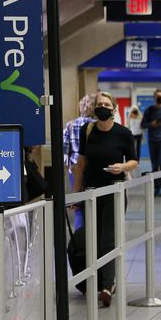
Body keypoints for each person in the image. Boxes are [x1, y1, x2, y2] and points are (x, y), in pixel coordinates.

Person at [72, 91, 138, 307]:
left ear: (113, 108)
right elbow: (81, 163)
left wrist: (122, 167)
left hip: (114, 190)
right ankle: (98, 280)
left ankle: (107, 286)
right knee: (92, 239)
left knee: (108, 239)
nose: (102, 107)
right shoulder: (87, 130)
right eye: (99, 104)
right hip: (91, 191)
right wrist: (75, 193)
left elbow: (134, 161)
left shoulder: (123, 133)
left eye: (106, 104)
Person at [63, 94, 96, 229]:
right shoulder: (97, 126)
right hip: (92, 169)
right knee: (93, 205)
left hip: (75, 169)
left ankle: (80, 240)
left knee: (78, 207)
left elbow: (64, 151)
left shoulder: (71, 125)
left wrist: (69, 168)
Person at [141, 89, 161, 197]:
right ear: (154, 97)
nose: (159, 98)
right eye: (158, 96)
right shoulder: (149, 110)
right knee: (154, 165)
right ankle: (156, 187)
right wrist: (151, 124)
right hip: (152, 140)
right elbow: (143, 124)